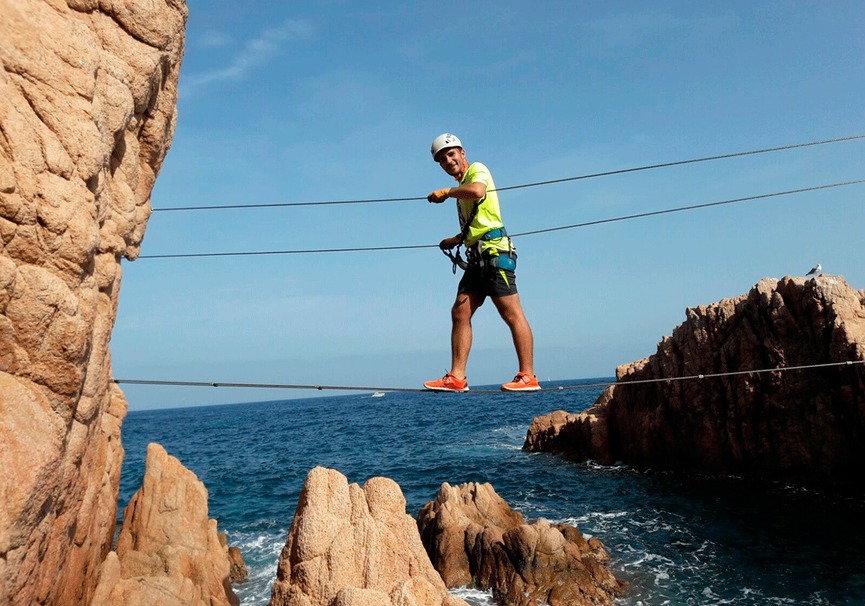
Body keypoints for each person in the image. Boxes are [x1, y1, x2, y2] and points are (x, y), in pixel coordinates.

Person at [423, 133, 540, 392]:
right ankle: (456, 377)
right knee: (460, 311)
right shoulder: (462, 186)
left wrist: (447, 192)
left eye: (451, 154)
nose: (448, 160)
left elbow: (478, 192)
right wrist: (456, 239)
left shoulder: (477, 171)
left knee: (511, 313)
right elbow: (479, 221)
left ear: (462, 153)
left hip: (495, 253)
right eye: (442, 159)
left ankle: (528, 376)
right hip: (477, 258)